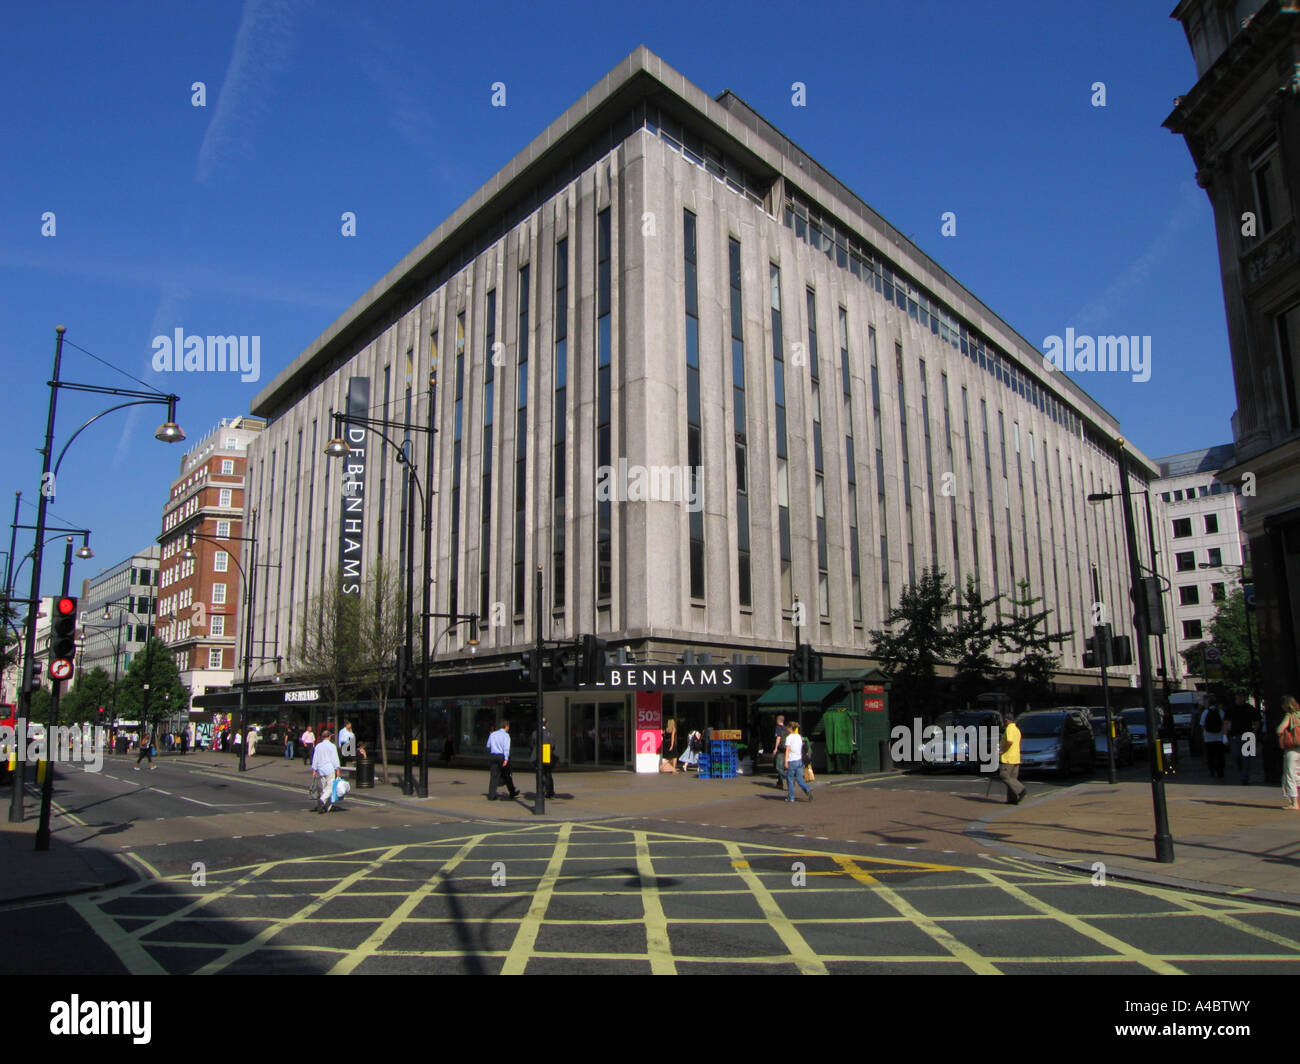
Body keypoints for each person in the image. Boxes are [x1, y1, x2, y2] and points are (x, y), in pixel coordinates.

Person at [1226, 692, 1261, 785]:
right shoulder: (1231, 708)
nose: (1240, 699)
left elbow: (1257, 722)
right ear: (1236, 697)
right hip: (1235, 735)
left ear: (1245, 698)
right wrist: (1224, 736)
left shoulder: (1250, 709)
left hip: (1248, 735)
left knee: (1247, 758)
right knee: (1237, 755)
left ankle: (1245, 777)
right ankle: (1242, 771)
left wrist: (1254, 732)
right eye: (1238, 697)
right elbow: (1226, 722)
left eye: (1242, 697)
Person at [1277, 695, 1300, 811]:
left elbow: (1280, 729)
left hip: (1293, 749)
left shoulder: (1290, 715)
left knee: (1290, 775)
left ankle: (1294, 803)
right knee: (1298, 774)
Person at [486, 720, 519, 800]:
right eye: (508, 727)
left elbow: (488, 745)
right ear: (506, 726)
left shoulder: (493, 734)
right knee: (508, 774)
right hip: (502, 756)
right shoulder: (506, 736)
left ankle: (491, 795)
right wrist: (506, 759)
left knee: (493, 776)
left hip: (493, 756)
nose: (508, 728)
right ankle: (512, 792)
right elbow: (506, 748)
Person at [311, 728, 342, 813]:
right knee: (330, 788)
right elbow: (335, 758)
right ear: (329, 737)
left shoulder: (318, 746)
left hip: (321, 769)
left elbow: (315, 758)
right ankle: (321, 801)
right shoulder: (332, 746)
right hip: (329, 769)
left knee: (323, 788)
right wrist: (337, 769)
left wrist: (314, 769)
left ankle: (325, 806)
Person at [999, 711, 1025, 804]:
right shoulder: (1017, 729)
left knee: (1004, 775)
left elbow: (1009, 742)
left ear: (1007, 720)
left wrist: (1002, 750)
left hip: (1008, 757)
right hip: (1016, 757)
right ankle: (1012, 799)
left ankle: (1020, 789)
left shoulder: (1009, 729)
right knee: (1012, 778)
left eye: (1005, 720)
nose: (1004, 722)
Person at [784, 722, 812, 802]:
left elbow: (787, 750)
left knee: (790, 779)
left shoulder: (789, 738)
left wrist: (785, 762)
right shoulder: (799, 736)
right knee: (800, 779)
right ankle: (808, 788)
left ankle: (791, 797)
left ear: (789, 728)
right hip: (799, 760)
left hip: (792, 760)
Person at [1201, 701, 1228, 779]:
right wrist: (1224, 736)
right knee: (1220, 755)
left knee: (1210, 756)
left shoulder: (1205, 712)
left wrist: (1203, 735)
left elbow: (1202, 725)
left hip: (1208, 738)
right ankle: (1221, 771)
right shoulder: (1221, 712)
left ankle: (1212, 770)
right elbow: (1225, 724)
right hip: (1219, 738)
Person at [531, 716, 556, 799]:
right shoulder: (549, 733)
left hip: (538, 753)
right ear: (547, 723)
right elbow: (552, 745)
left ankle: (540, 791)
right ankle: (550, 792)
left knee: (539, 773)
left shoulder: (535, 733)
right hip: (546, 751)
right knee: (548, 773)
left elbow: (532, 744)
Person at [772, 715, 788, 789]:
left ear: (778, 720)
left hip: (780, 750)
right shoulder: (786, 728)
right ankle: (779, 783)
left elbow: (778, 738)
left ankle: (788, 777)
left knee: (778, 767)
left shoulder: (778, 727)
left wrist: (775, 748)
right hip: (786, 749)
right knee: (782, 766)